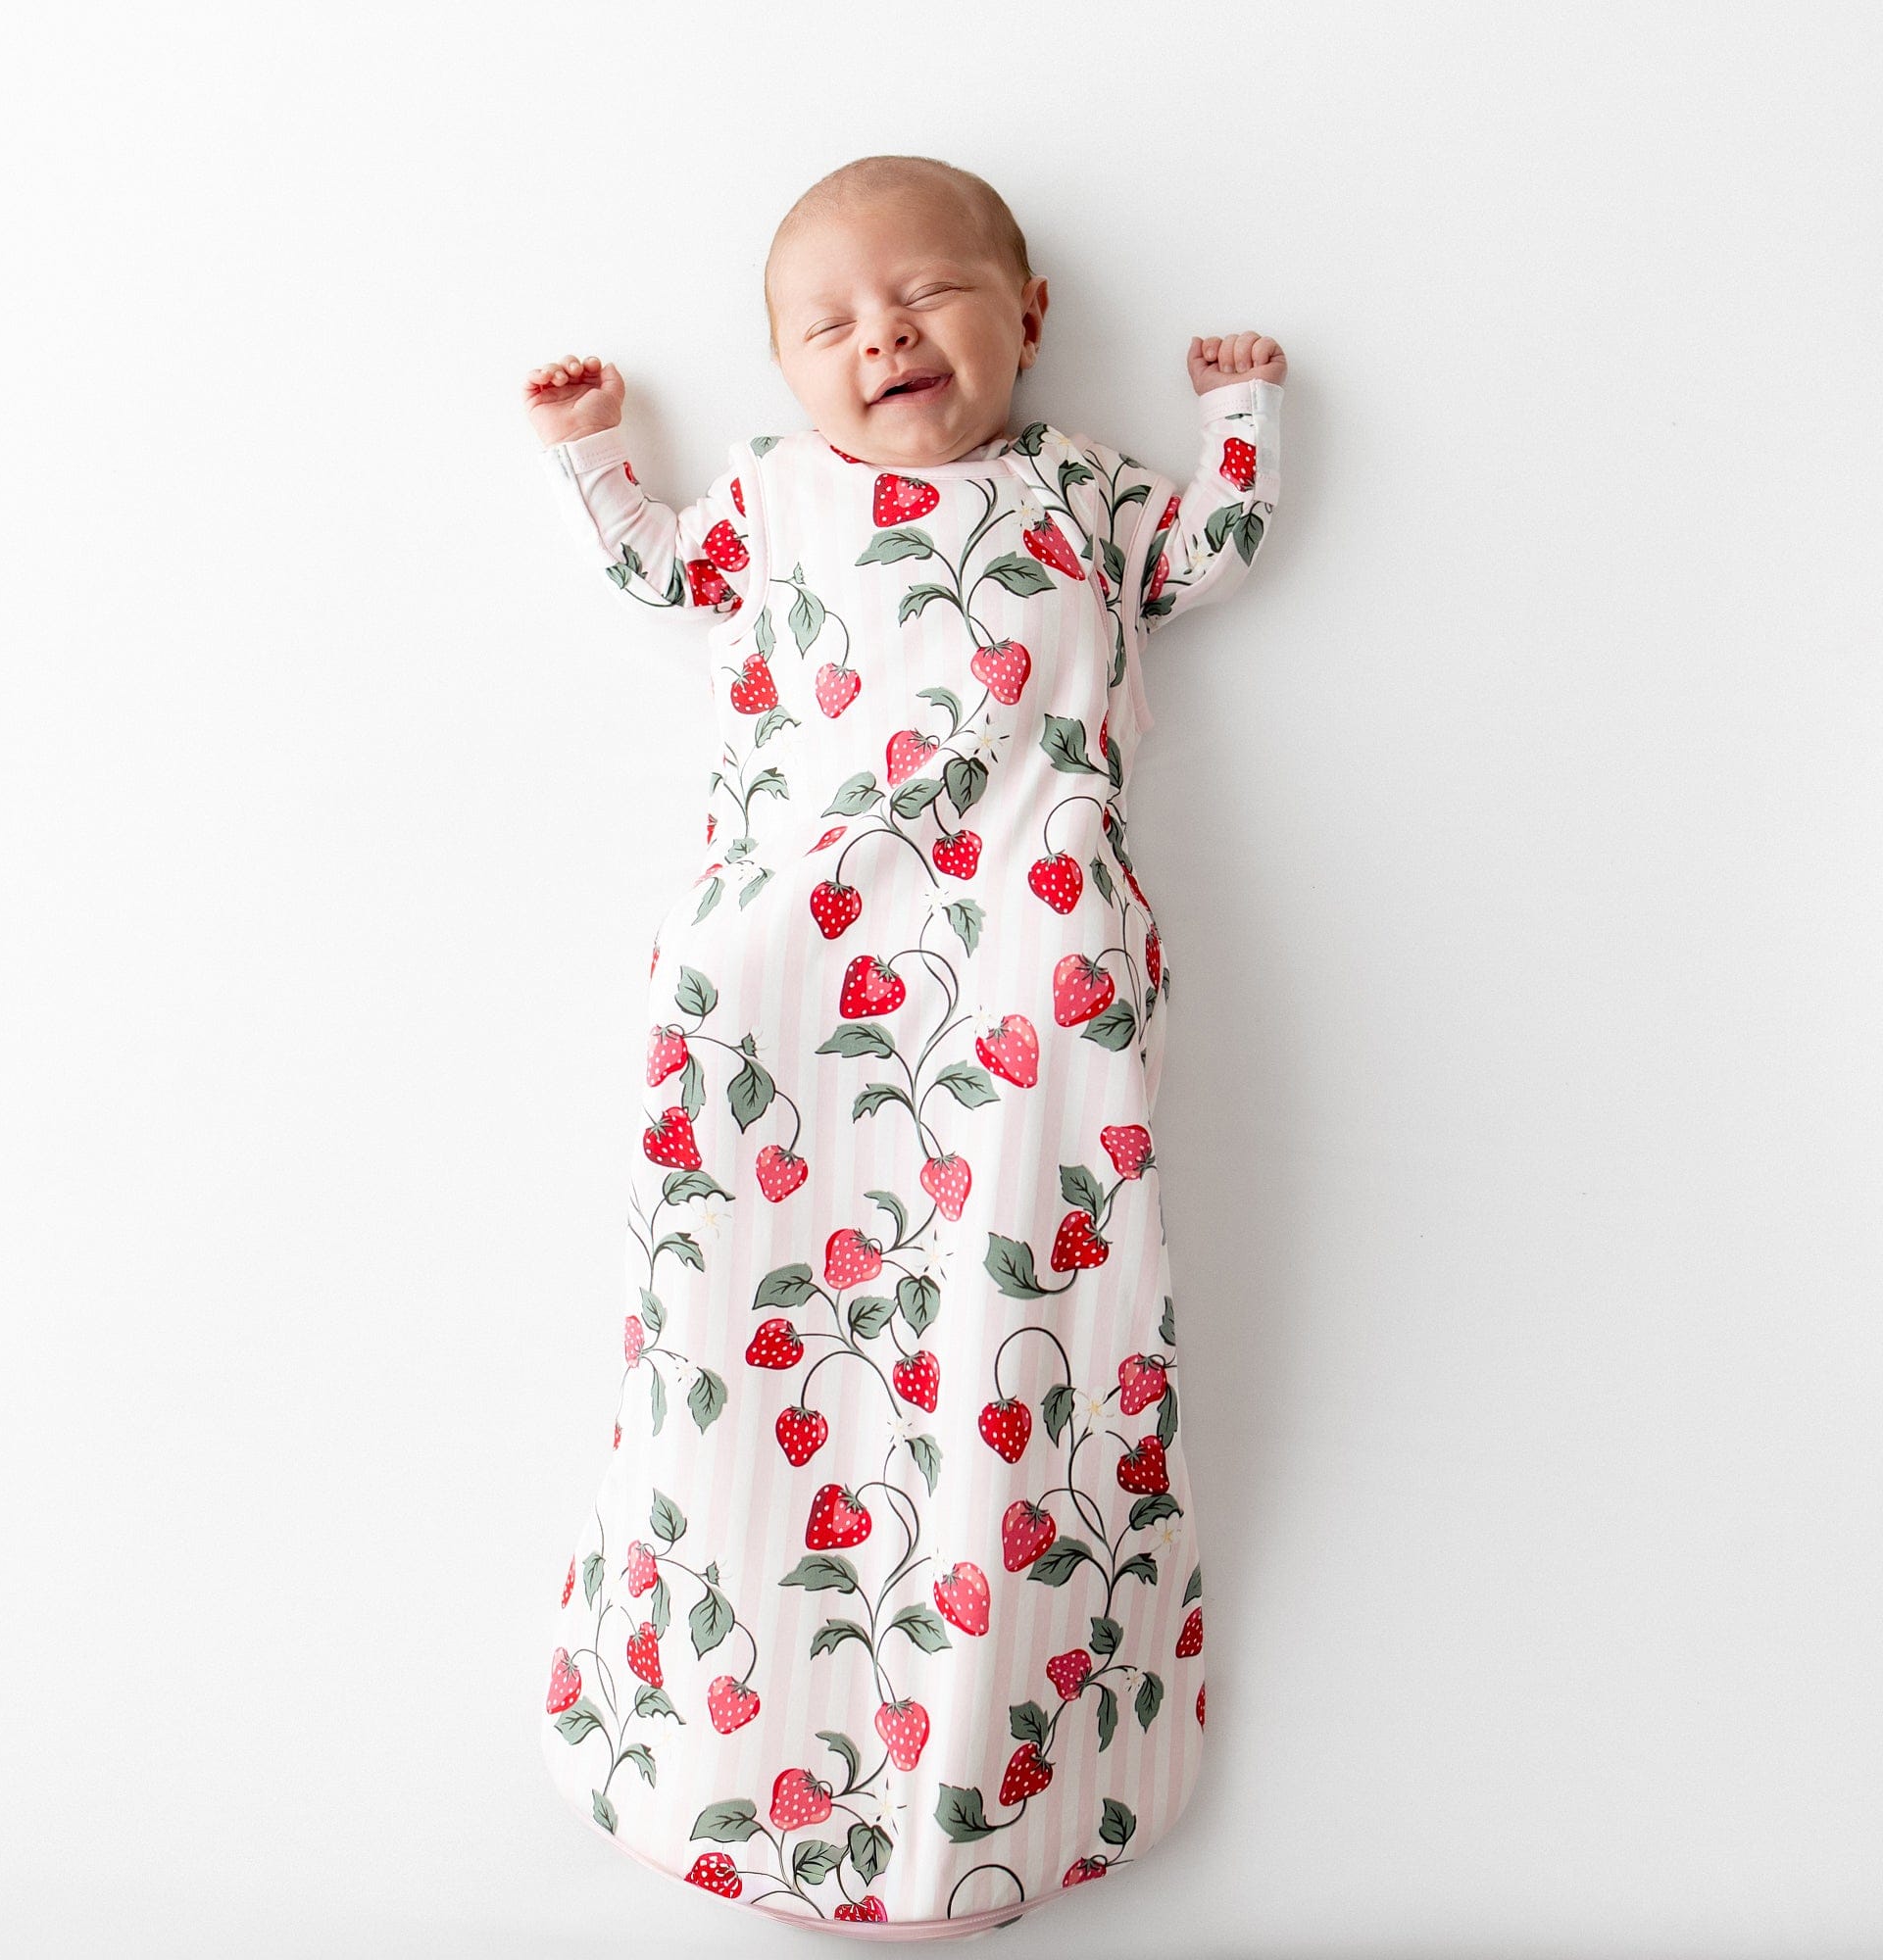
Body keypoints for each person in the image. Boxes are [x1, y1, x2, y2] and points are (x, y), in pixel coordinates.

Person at [522, 152, 1284, 1938]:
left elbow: (1208, 554)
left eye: (928, 293)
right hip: (783, 970)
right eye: (831, 324)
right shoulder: (774, 494)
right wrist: (590, 450)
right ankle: (713, 1744)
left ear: (1027, 315)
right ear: (786, 370)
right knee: (737, 1317)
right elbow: (656, 570)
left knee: (1021, 1326)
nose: (884, 337)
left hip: (1027, 963)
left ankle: (995, 1776)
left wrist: (1240, 419)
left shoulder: (1082, 489)